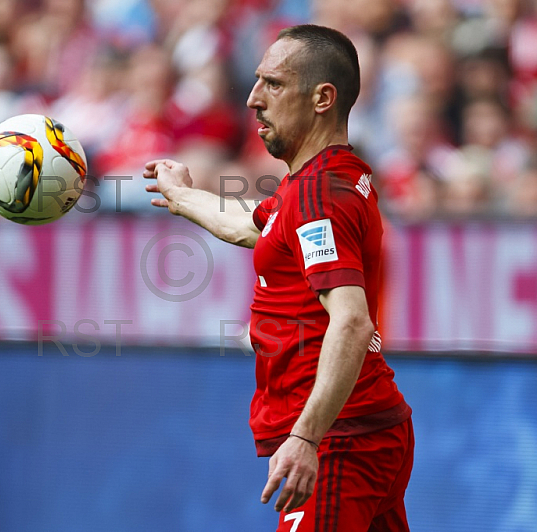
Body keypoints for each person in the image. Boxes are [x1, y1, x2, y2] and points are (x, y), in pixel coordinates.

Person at [143, 24, 414, 531]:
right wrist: (181, 197)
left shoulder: (317, 196)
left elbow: (352, 323)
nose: (252, 100)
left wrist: (307, 437)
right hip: (364, 428)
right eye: (256, 82)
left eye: (273, 84)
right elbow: (253, 226)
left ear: (322, 98)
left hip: (342, 441)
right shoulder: (321, 180)